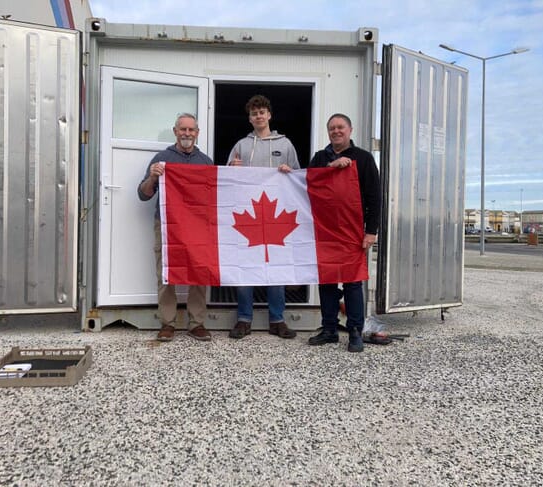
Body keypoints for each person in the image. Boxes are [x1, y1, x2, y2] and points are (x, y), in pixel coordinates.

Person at [227, 95, 300, 340]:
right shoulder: (241, 145)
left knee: (276, 269)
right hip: (249, 216)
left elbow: (298, 179)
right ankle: (244, 319)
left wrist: (289, 173)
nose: (259, 116)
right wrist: (232, 169)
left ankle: (277, 320)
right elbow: (226, 180)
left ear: (269, 115)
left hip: (276, 215)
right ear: (250, 118)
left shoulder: (286, 144)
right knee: (245, 268)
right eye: (254, 113)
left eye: (262, 112)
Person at [307, 113, 381, 352]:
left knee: (351, 282)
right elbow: (308, 183)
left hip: (352, 232)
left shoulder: (364, 158)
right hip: (325, 231)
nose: (336, 131)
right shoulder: (320, 158)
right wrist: (331, 167)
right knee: (327, 282)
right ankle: (329, 328)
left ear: (350, 130)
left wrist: (371, 231)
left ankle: (355, 330)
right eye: (332, 128)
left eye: (340, 127)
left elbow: (374, 197)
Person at [138, 113, 213, 342]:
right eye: (183, 129)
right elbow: (143, 194)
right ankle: (167, 323)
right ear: (175, 131)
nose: (187, 134)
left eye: (191, 130)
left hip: (197, 226)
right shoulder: (161, 159)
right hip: (167, 224)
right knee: (166, 272)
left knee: (199, 271)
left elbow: (214, 197)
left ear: (197, 133)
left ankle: (196, 323)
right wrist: (152, 177)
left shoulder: (206, 162)